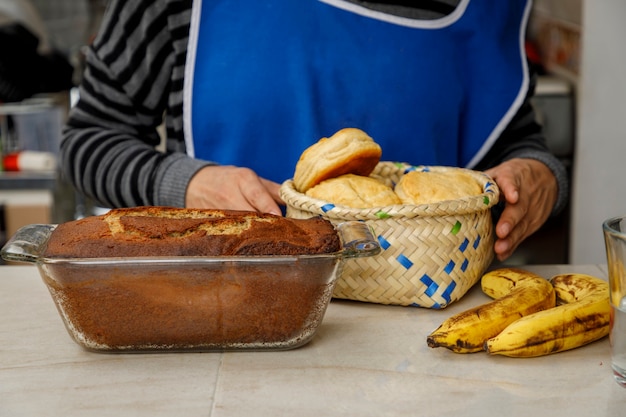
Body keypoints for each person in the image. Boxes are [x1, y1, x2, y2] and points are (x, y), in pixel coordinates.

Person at [60, 0, 568, 262]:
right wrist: (188, 182)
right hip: (224, 324)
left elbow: (517, 144)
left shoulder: (481, 11)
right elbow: (88, 139)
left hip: (429, 342)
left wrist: (541, 176)